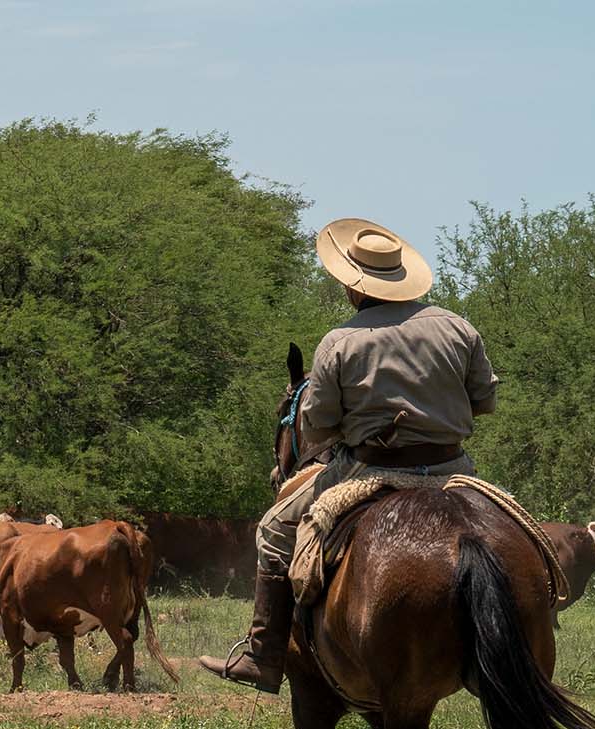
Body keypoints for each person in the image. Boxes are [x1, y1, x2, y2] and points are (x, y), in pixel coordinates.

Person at [197, 218, 499, 692]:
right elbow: (485, 401)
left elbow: (317, 424)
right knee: (515, 533)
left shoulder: (340, 341)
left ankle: (263, 654)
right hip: (452, 470)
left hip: (368, 469)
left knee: (274, 530)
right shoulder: (458, 327)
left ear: (353, 287)